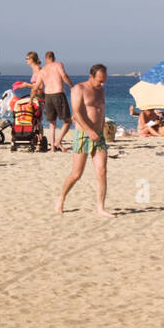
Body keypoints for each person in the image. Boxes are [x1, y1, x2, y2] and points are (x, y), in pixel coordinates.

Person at [55, 65, 113, 217]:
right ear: (91, 76)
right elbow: (77, 112)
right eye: (100, 81)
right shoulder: (78, 89)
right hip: (83, 134)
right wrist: (89, 130)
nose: (102, 84)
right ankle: (61, 198)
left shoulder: (102, 90)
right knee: (76, 174)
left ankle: (100, 207)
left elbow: (100, 110)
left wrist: (102, 127)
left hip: (99, 134)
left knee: (102, 171)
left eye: (104, 81)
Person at [33, 50, 74, 152]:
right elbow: (64, 76)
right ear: (53, 58)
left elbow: (36, 87)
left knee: (52, 123)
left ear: (46, 59)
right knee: (68, 121)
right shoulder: (58, 65)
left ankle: (52, 148)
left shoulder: (42, 70)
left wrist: (30, 99)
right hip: (58, 94)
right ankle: (58, 142)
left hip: (48, 96)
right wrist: (72, 86)